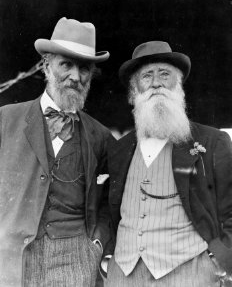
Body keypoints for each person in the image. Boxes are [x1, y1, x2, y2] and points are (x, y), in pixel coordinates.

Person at [103, 41, 232, 286]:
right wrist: (108, 256)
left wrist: (221, 259)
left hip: (190, 273)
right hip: (124, 274)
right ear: (134, 90)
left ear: (179, 84)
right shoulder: (119, 148)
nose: (156, 82)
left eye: (165, 74)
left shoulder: (212, 141)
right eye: (146, 76)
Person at [0, 17, 111, 287]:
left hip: (75, 262)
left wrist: (97, 242)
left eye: (84, 68)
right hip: (12, 259)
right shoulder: (6, 119)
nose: (75, 76)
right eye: (66, 64)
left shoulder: (100, 136)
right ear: (47, 64)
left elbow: (116, 197)